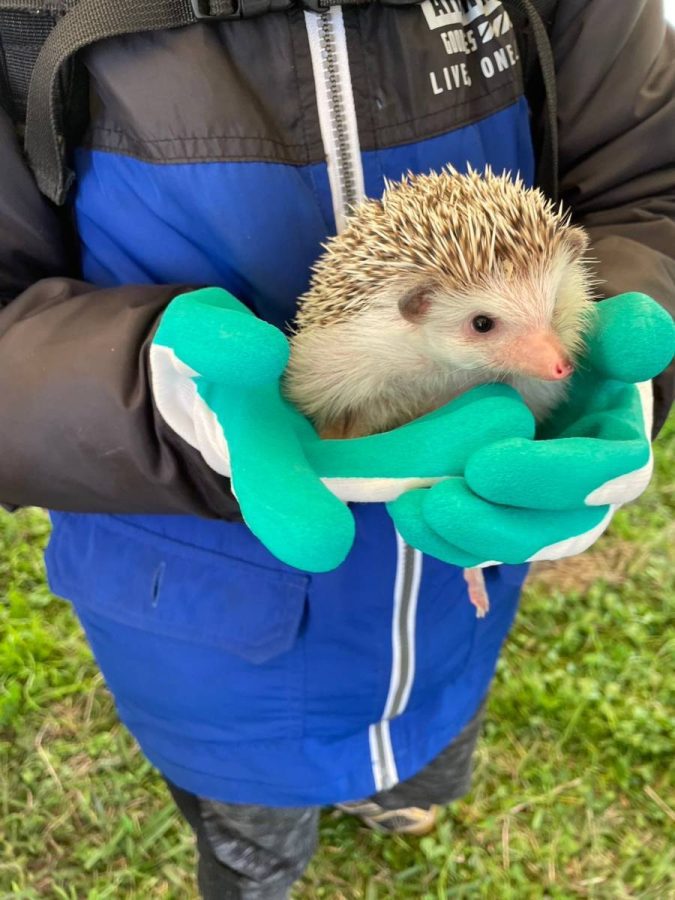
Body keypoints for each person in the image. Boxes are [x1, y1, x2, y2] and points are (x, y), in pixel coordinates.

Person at [0, 0, 673, 897]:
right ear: (412, 313)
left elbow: (644, 186)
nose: (545, 353)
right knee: (250, 811)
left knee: (438, 730)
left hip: (456, 590)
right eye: (486, 327)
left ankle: (406, 783)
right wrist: (154, 399)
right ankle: (255, 861)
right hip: (197, 619)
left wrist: (623, 332)